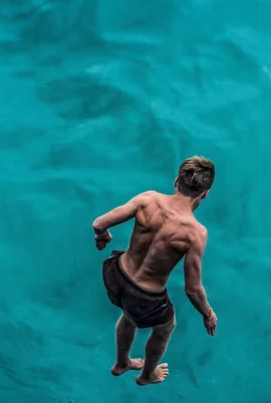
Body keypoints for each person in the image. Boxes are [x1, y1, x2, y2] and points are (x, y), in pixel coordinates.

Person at [92, 155, 217, 386]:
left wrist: (102, 235)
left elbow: (99, 223)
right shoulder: (195, 234)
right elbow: (192, 289)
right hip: (145, 296)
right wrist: (208, 315)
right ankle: (147, 375)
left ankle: (122, 363)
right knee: (165, 327)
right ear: (205, 193)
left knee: (128, 315)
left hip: (115, 274)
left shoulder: (148, 199)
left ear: (175, 181)